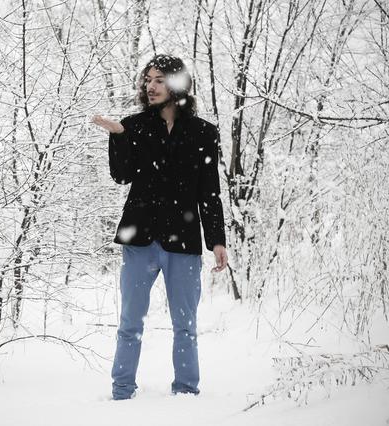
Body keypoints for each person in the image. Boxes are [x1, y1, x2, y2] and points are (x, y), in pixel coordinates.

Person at [91, 54, 228, 400]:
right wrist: (118, 136)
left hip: (183, 241)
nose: (150, 86)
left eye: (159, 80)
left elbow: (209, 192)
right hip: (139, 239)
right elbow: (122, 175)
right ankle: (122, 390)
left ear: (177, 85)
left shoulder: (203, 132)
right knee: (130, 322)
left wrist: (217, 241)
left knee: (186, 324)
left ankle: (186, 390)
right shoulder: (133, 126)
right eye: (148, 80)